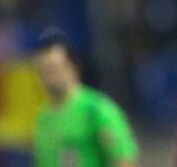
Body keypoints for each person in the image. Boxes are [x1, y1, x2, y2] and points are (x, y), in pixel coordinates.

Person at [32, 27, 139, 167]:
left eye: (55, 69)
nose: (49, 79)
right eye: (44, 71)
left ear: (74, 67)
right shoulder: (43, 118)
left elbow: (123, 159)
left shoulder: (96, 110)